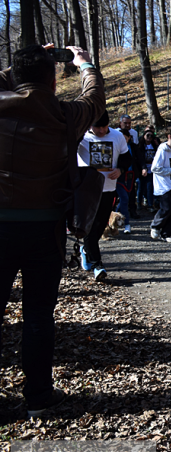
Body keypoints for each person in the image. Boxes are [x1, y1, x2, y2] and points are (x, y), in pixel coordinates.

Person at [0, 44, 105, 417]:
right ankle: (39, 396)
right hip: (45, 228)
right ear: (53, 78)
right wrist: (85, 65)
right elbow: (93, 98)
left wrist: (23, 65)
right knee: (39, 314)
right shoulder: (64, 115)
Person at [77, 110, 131, 280]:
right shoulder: (80, 136)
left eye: (104, 127)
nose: (101, 131)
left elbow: (127, 158)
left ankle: (86, 250)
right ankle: (97, 265)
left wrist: (120, 169)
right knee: (89, 227)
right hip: (87, 190)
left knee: (101, 226)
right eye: (96, 127)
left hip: (108, 188)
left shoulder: (117, 136)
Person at [150, 126, 171, 242]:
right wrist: (170, 171)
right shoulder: (162, 149)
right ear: (170, 136)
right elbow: (155, 168)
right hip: (163, 185)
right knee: (167, 208)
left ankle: (166, 234)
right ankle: (155, 226)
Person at [117, 128, 145, 234]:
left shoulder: (132, 147)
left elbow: (138, 158)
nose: (122, 140)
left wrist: (143, 168)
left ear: (129, 138)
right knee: (121, 199)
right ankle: (122, 222)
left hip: (129, 176)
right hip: (116, 177)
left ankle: (121, 220)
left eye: (124, 138)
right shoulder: (115, 146)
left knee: (126, 198)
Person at [138, 128, 157, 211]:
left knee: (150, 187)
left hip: (151, 169)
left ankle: (150, 205)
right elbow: (140, 158)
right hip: (142, 169)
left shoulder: (155, 146)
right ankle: (139, 203)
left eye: (151, 136)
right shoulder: (140, 146)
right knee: (140, 187)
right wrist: (143, 168)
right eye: (147, 135)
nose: (149, 137)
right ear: (144, 136)